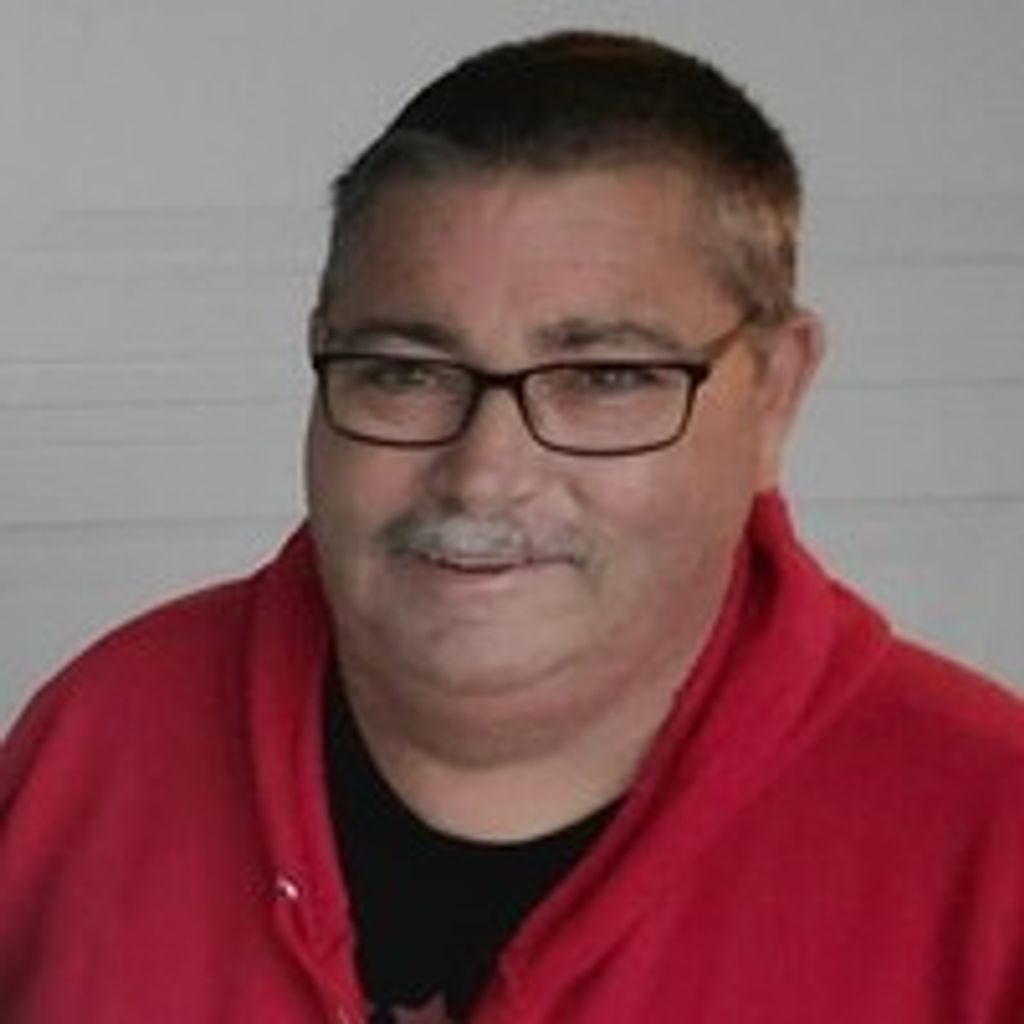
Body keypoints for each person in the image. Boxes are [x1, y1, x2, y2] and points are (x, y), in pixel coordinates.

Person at [2, 29, 1023, 1024]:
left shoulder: (993, 845)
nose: (484, 477)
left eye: (604, 378)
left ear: (774, 392)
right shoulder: (97, 741)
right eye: (405, 370)